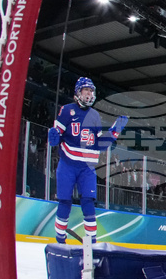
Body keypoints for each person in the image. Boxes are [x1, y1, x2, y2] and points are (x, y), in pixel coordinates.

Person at [47, 77, 128, 243]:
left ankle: (91, 241)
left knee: (88, 203)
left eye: (91, 91)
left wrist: (114, 131)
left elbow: (98, 145)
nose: (90, 94)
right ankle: (60, 239)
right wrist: (53, 137)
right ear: (78, 92)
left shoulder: (95, 116)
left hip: (87, 168)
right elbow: (56, 136)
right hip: (67, 164)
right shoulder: (66, 110)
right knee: (65, 201)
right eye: (86, 90)